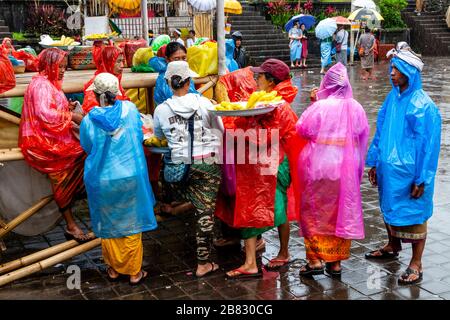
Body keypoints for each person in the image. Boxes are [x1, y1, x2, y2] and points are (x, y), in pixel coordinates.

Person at [365, 42, 441, 285]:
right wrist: (374, 161)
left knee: (416, 215)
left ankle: (416, 262)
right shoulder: (392, 99)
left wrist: (422, 179)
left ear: (409, 72)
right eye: (391, 69)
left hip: (410, 174)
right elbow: (381, 131)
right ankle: (392, 244)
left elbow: (429, 147)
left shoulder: (423, 105)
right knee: (388, 209)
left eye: (396, 69)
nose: (391, 73)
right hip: (389, 170)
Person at [224, 59, 302, 278]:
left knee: (273, 208)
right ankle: (252, 260)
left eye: (259, 76)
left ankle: (280, 253)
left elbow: (265, 137)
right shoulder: (265, 102)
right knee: (254, 206)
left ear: (270, 81)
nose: (255, 79)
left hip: (274, 165)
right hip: (260, 164)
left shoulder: (279, 107)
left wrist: (241, 123)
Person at [80, 73, 158, 285]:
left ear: (95, 94)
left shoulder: (88, 120)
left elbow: (87, 147)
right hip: (131, 175)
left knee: (109, 223)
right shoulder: (130, 111)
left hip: (103, 179)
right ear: (117, 92)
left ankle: (114, 269)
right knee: (132, 223)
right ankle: (134, 272)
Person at [296, 63, 369, 277]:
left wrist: (314, 102)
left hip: (320, 165)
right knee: (340, 212)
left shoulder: (320, 106)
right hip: (347, 166)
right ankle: (335, 263)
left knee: (313, 211)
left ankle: (315, 261)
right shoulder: (356, 107)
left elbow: (303, 129)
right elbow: (362, 133)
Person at [153, 61, 224, 277]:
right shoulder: (206, 104)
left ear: (168, 83)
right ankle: (203, 263)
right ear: (189, 81)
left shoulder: (161, 110)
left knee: (164, 171)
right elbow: (220, 130)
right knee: (205, 211)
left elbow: (160, 137)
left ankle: (168, 204)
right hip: (207, 165)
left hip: (178, 168)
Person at [19, 48, 93, 242]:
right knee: (66, 171)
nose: (62, 70)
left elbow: (52, 109)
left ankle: (79, 208)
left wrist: (66, 108)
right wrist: (73, 115)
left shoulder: (50, 83)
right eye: (59, 66)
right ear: (48, 65)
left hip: (54, 137)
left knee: (87, 153)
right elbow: (45, 115)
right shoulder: (41, 85)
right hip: (42, 143)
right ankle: (71, 224)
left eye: (64, 66)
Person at [82, 44, 129, 114]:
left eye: (123, 61)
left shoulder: (114, 80)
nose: (122, 66)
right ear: (108, 63)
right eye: (118, 61)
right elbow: (92, 114)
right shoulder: (98, 84)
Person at [149, 42, 198, 106]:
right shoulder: (164, 79)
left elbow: (193, 93)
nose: (181, 62)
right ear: (167, 59)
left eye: (184, 58)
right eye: (176, 59)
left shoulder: (185, 73)